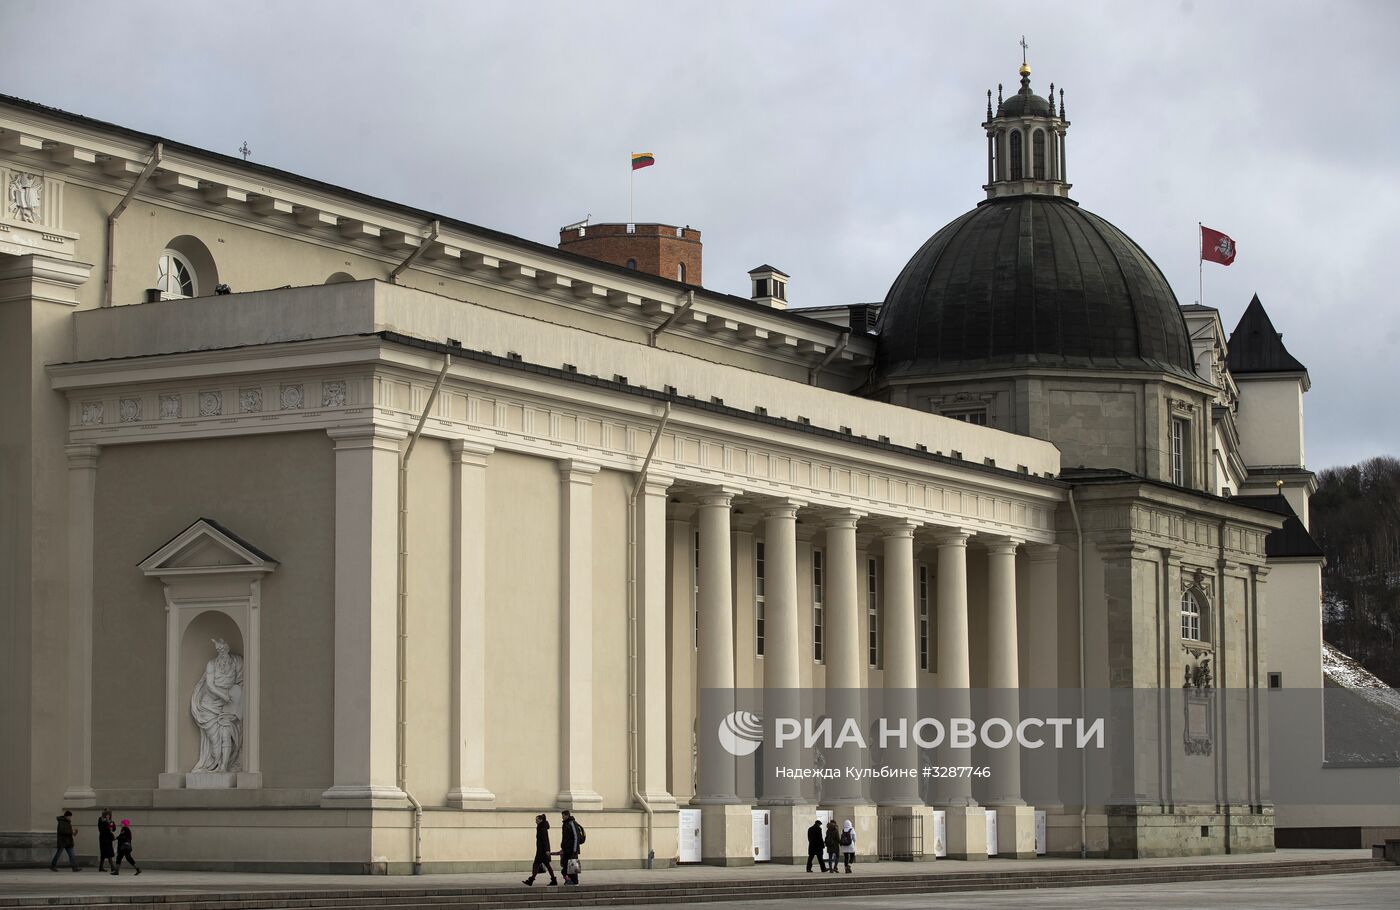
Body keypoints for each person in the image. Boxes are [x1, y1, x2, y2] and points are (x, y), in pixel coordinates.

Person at [522, 813, 558, 886]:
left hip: (542, 851)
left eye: (537, 820)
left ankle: (531, 880)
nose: (535, 821)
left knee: (537, 864)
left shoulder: (542, 828)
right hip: (541, 850)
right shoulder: (541, 827)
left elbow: (545, 840)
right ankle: (553, 880)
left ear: (541, 820)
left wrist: (547, 850)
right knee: (545, 865)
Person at [559, 810, 583, 885]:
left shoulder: (572, 823)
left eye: (563, 816)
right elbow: (565, 838)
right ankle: (570, 880)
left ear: (567, 815)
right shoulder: (565, 824)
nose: (562, 817)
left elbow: (576, 836)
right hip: (567, 849)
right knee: (566, 866)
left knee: (572, 865)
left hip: (572, 850)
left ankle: (574, 881)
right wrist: (563, 847)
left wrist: (574, 850)